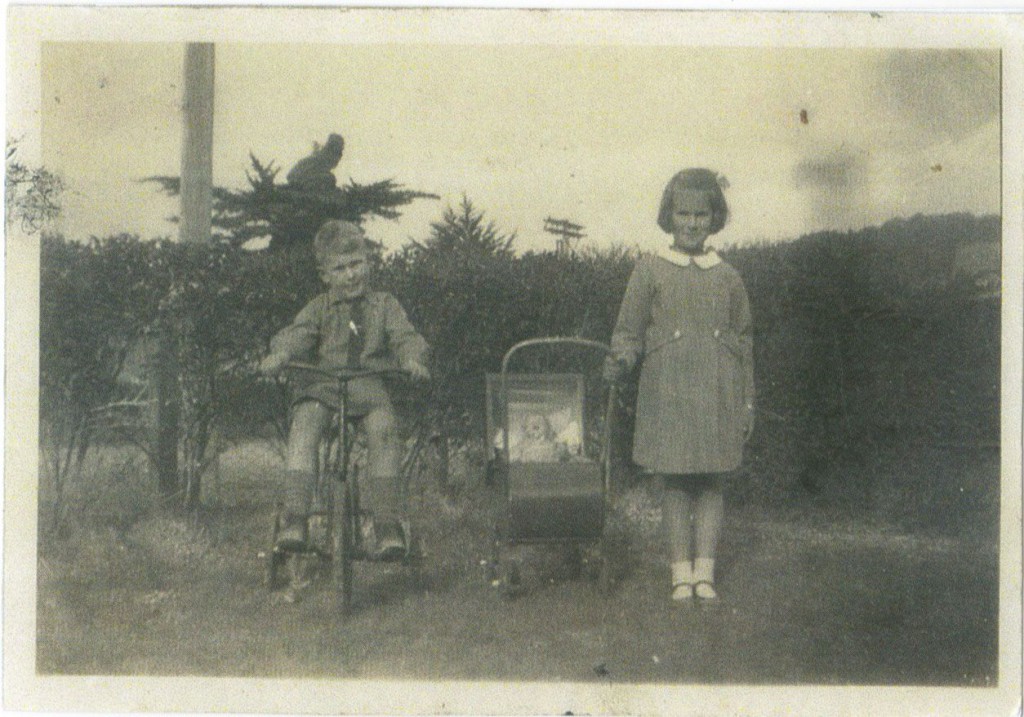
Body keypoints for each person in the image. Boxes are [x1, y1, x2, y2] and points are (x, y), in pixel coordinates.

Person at [604, 168, 754, 603]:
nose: (691, 223)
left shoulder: (728, 276)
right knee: (674, 483)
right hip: (668, 392)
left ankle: (704, 572)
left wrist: (747, 402)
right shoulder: (649, 270)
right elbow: (628, 330)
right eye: (683, 213)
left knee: (710, 483)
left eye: (700, 214)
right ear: (669, 216)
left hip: (717, 394)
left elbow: (744, 342)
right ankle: (679, 573)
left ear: (714, 218)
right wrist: (622, 358)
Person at [260, 220, 430, 557]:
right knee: (305, 423)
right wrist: (280, 355)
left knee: (383, 429)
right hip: (324, 383)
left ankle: (386, 525)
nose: (351, 275)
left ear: (368, 262)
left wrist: (412, 359)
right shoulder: (320, 307)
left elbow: (404, 336)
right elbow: (299, 333)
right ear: (325, 275)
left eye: (356, 265)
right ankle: (296, 517)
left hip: (367, 385)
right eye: (340, 269)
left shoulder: (385, 305)